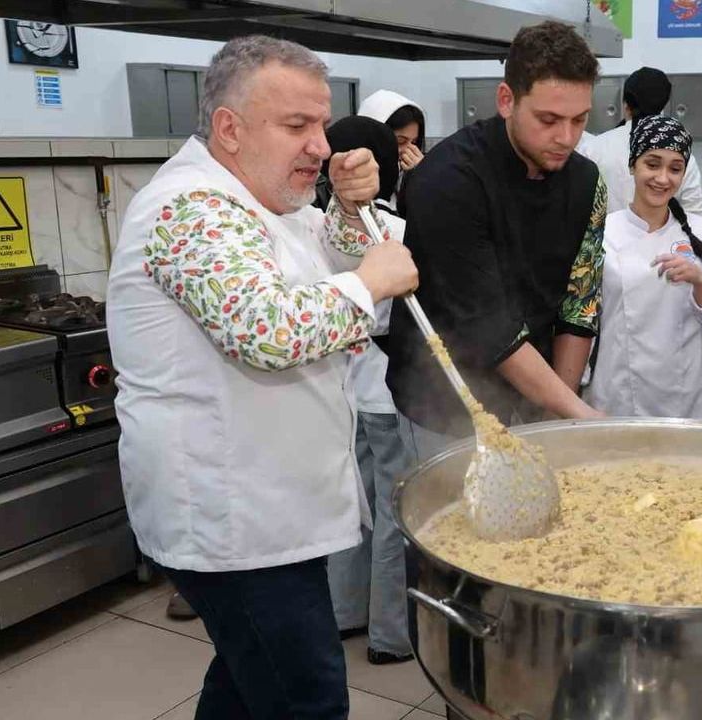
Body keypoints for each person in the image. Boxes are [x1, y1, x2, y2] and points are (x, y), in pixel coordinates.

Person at [107, 35, 417, 719]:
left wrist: (342, 206)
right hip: (234, 521)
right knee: (304, 698)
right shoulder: (190, 208)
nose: (321, 145)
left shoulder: (255, 202)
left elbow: (319, 251)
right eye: (297, 126)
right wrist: (370, 286)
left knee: (247, 687)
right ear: (229, 128)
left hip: (272, 510)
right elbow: (266, 329)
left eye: (322, 124)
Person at [381, 20, 605, 448]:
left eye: (580, 120)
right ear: (507, 100)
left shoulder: (586, 181)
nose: (567, 137)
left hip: (536, 388)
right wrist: (577, 414)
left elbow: (580, 303)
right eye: (549, 119)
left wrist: (557, 410)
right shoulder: (446, 179)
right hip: (443, 401)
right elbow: (489, 328)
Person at [315, 116, 416, 666]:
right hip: (384, 394)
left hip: (345, 392)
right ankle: (391, 634)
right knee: (393, 518)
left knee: (355, 511)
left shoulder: (321, 225)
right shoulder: (390, 231)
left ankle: (343, 612)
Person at [586, 115, 702, 419]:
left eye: (675, 168)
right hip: (619, 388)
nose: (663, 178)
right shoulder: (603, 232)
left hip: (686, 393)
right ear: (633, 166)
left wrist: (700, 282)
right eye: (652, 164)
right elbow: (583, 319)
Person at [582, 66, 702, 216]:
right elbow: (695, 215)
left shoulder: (591, 149)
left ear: (626, 105)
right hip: (663, 238)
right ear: (664, 106)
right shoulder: (678, 156)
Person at [357, 89, 426, 210]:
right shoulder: (348, 180)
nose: (408, 150)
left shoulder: (410, 175)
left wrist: (423, 177)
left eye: (414, 142)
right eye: (400, 141)